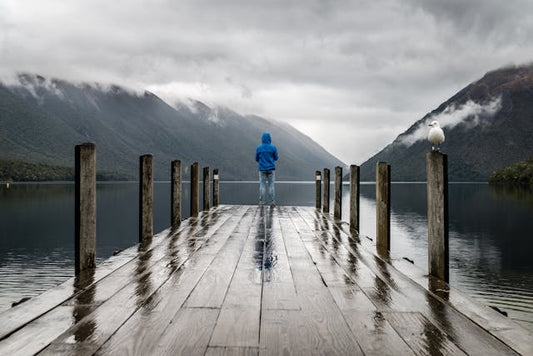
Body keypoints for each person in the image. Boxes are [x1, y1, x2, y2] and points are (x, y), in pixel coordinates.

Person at [255, 133, 278, 208]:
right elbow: (276, 157)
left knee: (262, 186)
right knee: (271, 185)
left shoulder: (259, 147)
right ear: (269, 138)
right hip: (271, 168)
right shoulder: (273, 147)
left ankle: (261, 203)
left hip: (262, 169)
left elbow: (256, 159)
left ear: (262, 139)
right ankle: (272, 203)